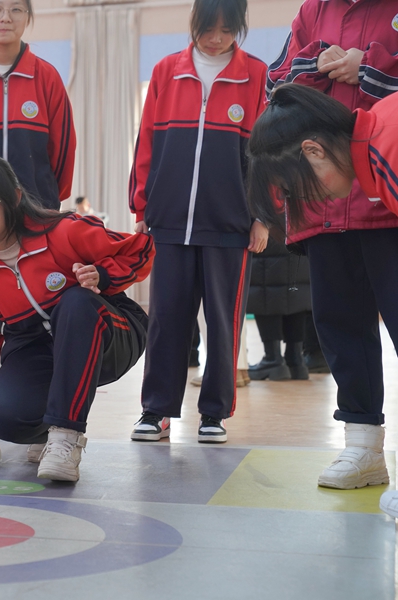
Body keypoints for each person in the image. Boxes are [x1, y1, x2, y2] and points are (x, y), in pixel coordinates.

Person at [0, 153, 154, 482]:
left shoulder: (63, 231)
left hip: (108, 331)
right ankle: (45, 433)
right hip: (34, 344)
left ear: (13, 197)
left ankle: (66, 436)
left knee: (74, 302)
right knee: (2, 416)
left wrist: (103, 275)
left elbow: (141, 250)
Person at [264, 0, 398, 491]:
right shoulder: (311, 12)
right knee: (339, 326)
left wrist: (371, 64)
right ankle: (362, 447)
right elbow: (275, 87)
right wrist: (318, 61)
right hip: (321, 198)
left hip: (386, 196)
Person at [128, 0, 269, 444]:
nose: (217, 38)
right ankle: (156, 410)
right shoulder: (167, 71)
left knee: (223, 322)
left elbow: (265, 157)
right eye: (210, 28)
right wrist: (141, 207)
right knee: (166, 318)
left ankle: (214, 413)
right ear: (195, 23)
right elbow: (146, 141)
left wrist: (262, 215)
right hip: (168, 221)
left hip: (230, 224)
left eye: (228, 30)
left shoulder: (256, 75)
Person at [0, 0, 76, 210]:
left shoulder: (47, 78)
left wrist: (46, 196)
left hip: (37, 210)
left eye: (16, 9)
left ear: (28, 17)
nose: (5, 17)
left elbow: (63, 151)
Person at [246, 238, 312, 381]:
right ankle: (296, 361)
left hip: (270, 234)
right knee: (296, 294)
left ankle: (273, 359)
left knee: (266, 292)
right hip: (297, 233)